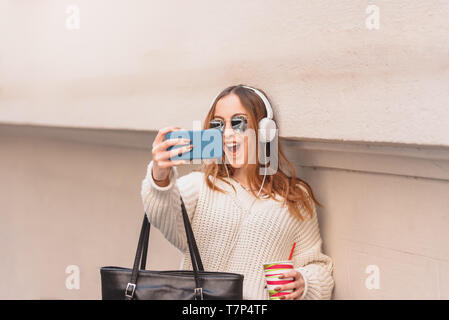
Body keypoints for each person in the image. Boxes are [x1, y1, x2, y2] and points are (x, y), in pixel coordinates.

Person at [141, 84, 334, 300]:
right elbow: (161, 213)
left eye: (238, 123)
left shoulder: (294, 197)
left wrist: (304, 282)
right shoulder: (201, 186)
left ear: (264, 130)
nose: (227, 134)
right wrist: (159, 176)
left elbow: (318, 266)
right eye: (219, 125)